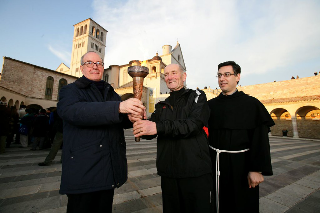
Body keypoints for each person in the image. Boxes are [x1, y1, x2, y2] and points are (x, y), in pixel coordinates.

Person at [57, 51, 145, 213]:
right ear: (82, 68)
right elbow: (74, 112)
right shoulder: (71, 90)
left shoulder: (110, 92)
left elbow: (118, 119)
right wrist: (118, 107)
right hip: (84, 170)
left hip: (108, 169)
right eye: (90, 63)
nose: (95, 66)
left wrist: (131, 117)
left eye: (99, 63)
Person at [133, 64, 213, 213]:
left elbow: (193, 125)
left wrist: (158, 127)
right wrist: (141, 123)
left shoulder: (197, 96)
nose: (169, 77)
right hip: (169, 172)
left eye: (174, 73)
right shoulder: (162, 105)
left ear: (184, 76)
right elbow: (151, 131)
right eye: (167, 74)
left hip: (194, 170)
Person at [207, 61, 274, 213]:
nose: (222, 79)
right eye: (219, 75)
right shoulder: (210, 106)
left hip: (242, 166)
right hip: (215, 164)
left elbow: (260, 139)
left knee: (242, 205)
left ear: (237, 77)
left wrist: (256, 169)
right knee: (218, 204)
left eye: (227, 74)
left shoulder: (252, 104)